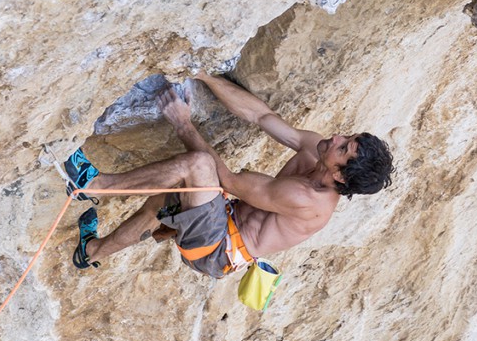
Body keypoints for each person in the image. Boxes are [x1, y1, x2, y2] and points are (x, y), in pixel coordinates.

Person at [66, 73, 394, 278]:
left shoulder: (308, 200)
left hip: (216, 248)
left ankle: (92, 184)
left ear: (340, 178)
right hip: (224, 220)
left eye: (342, 149)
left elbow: (227, 180)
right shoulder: (318, 150)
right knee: (158, 207)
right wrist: (203, 75)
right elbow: (263, 115)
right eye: (346, 139)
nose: (335, 139)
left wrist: (182, 122)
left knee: (198, 167)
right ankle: (91, 253)